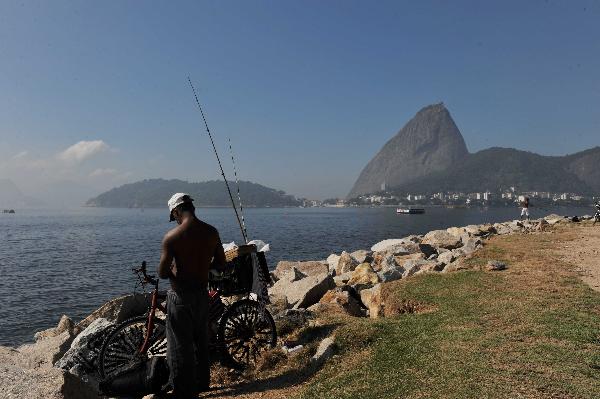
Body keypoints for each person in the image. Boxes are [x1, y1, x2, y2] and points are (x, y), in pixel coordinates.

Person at [157, 193, 227, 398]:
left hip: (180, 296)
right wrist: (203, 268)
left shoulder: (172, 237)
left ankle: (183, 391)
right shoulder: (212, 232)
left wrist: (175, 270)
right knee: (201, 341)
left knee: (180, 347)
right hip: (202, 295)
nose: (176, 220)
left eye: (174, 216)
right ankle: (203, 383)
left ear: (176, 211)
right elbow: (221, 263)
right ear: (192, 208)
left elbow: (162, 273)